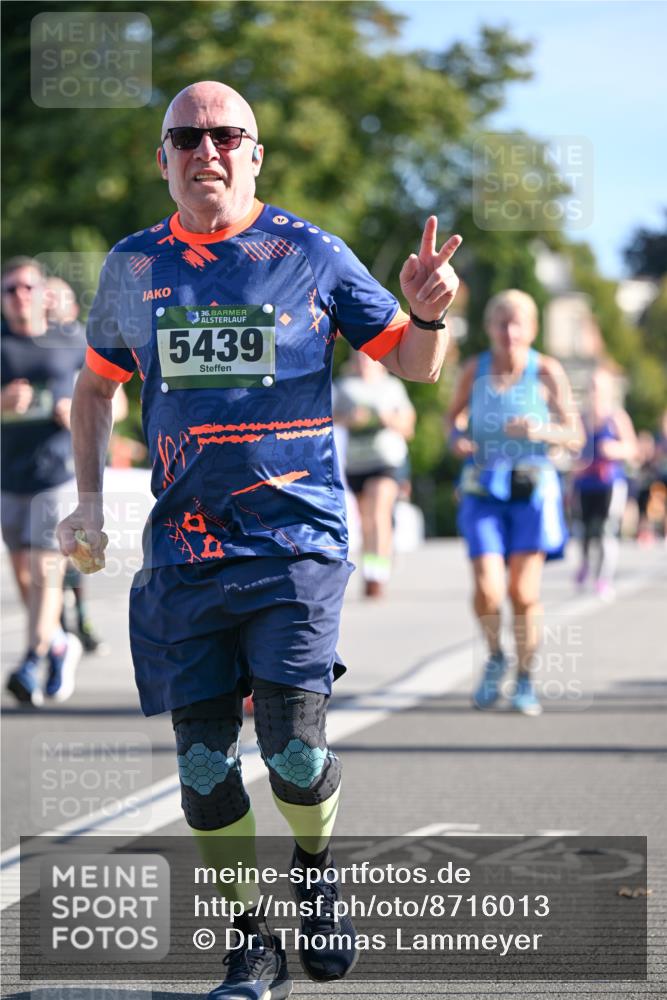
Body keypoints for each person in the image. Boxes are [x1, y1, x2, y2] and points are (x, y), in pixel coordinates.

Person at [56, 81, 461, 1000]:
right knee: (203, 772)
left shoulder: (311, 254)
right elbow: (93, 389)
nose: (207, 151)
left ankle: (315, 874)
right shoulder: (134, 266)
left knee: (292, 751)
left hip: (297, 543)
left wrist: (429, 312)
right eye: (186, 137)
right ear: (161, 158)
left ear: (255, 153)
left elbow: (413, 363)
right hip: (184, 556)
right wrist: (86, 500)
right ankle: (251, 944)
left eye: (226, 135)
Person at [446, 289, 584, 717]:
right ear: (489, 328)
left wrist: (541, 431)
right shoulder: (475, 369)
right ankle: (495, 656)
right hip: (483, 487)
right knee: (488, 590)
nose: (509, 331)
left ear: (532, 328)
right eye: (501, 322)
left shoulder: (546, 371)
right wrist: (460, 440)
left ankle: (525, 677)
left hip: (532, 488)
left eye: (517, 322)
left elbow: (575, 436)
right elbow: (452, 421)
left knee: (523, 593)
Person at [1, 258, 85, 705]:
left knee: (45, 571)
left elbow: (115, 404)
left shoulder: (70, 339)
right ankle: (58, 642)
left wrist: (78, 414)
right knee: (26, 579)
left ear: (42, 292)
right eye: (10, 289)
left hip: (57, 476)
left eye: (27, 287)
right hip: (8, 479)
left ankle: (30, 662)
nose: (20, 296)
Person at [333, 350, 416, 597]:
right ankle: (372, 567)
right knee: (366, 520)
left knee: (379, 512)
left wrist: (389, 419)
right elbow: (328, 419)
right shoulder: (344, 386)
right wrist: (350, 419)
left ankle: (377, 575)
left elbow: (408, 426)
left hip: (387, 459)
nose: (363, 362)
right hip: (357, 463)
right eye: (358, 357)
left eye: (368, 358)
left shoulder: (392, 386)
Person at [572, 367, 638, 598]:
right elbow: (571, 451)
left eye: (599, 387)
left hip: (610, 484)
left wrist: (614, 449)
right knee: (583, 532)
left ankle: (603, 579)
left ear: (608, 390)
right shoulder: (581, 419)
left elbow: (633, 448)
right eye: (591, 386)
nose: (595, 391)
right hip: (584, 484)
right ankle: (584, 564)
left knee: (605, 531)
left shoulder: (616, 418)